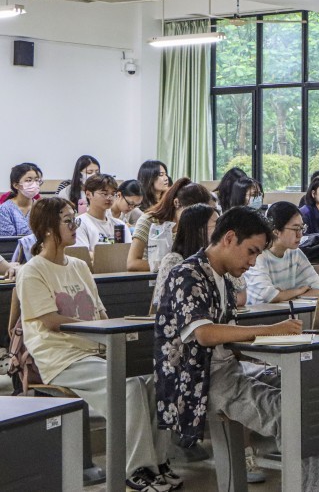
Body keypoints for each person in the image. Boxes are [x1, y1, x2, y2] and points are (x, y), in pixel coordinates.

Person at [155, 206, 319, 492]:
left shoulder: (222, 277)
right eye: (251, 251)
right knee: (288, 411)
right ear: (229, 238)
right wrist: (271, 330)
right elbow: (204, 334)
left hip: (229, 369)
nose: (253, 262)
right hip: (197, 380)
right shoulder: (186, 274)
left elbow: (226, 341)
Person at [19, 197, 179, 491]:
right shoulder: (33, 271)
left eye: (74, 219)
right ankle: (137, 469)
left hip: (98, 349)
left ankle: (159, 461)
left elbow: (100, 313)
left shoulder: (79, 266)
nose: (74, 226)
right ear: (48, 229)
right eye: (68, 221)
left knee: (157, 380)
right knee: (128, 387)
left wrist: (114, 329)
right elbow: (51, 320)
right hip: (62, 357)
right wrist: (100, 330)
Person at [245, 202, 319, 304]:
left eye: (302, 228)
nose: (300, 235)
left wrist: (284, 295)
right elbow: (269, 296)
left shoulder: (295, 253)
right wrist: (299, 291)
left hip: (287, 311)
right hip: (260, 313)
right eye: (295, 229)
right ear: (276, 232)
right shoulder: (258, 256)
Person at [128, 179, 213, 272]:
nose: (194, 219)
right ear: (176, 203)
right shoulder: (149, 220)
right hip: (150, 277)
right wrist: (171, 266)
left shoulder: (195, 225)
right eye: (191, 213)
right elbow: (132, 263)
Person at [151, 204, 219, 308]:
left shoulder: (216, 257)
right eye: (216, 224)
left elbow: (240, 296)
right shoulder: (173, 260)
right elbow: (164, 302)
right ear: (199, 229)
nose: (222, 230)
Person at [74, 174, 133, 252]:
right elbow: (82, 254)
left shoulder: (120, 225)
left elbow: (128, 253)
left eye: (113, 194)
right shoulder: (79, 223)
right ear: (88, 194)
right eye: (104, 194)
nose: (109, 198)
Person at [0, 163, 43, 236]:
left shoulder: (41, 208)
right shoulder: (5, 210)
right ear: (16, 185)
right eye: (28, 180)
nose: (34, 184)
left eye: (36, 180)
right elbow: (8, 239)